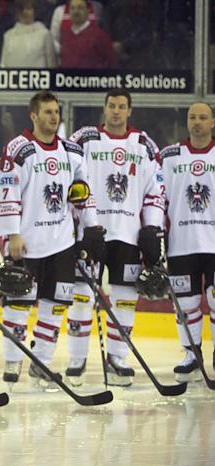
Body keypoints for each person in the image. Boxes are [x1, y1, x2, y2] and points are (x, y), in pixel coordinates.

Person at [0, 90, 101, 388]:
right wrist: (12, 233)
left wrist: (91, 229)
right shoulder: (18, 149)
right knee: (19, 304)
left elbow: (83, 192)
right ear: (34, 115)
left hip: (62, 242)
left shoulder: (72, 151)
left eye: (56, 112)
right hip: (26, 241)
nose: (54, 117)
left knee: (55, 305)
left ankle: (42, 363)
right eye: (48, 112)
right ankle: (13, 361)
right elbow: (6, 192)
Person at [67, 89, 165, 386]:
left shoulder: (145, 145)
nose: (116, 112)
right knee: (82, 298)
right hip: (92, 232)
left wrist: (151, 228)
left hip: (128, 236)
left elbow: (155, 191)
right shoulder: (83, 139)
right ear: (105, 108)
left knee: (124, 300)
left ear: (129, 111)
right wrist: (82, 224)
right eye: (112, 106)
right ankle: (77, 359)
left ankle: (118, 358)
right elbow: (68, 181)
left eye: (122, 107)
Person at [160, 103, 215, 382]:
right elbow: (159, 199)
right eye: (192, 117)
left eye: (203, 117)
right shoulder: (170, 156)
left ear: (213, 122)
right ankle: (192, 354)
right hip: (180, 245)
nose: (197, 122)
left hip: (214, 245)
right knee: (186, 303)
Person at [57, 0, 115, 69]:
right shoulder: (65, 35)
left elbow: (111, 62)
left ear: (88, 11)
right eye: (72, 8)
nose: (76, 12)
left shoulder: (100, 35)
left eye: (80, 8)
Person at [0, 0, 56, 68]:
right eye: (21, 9)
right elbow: (3, 64)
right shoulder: (8, 35)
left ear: (34, 10)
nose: (25, 12)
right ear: (17, 12)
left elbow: (52, 66)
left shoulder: (44, 34)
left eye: (28, 9)